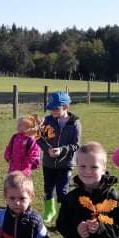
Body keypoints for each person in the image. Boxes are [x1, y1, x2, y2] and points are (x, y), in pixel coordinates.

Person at [39, 91, 81, 224]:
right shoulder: (48, 120)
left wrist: (62, 150)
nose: (53, 111)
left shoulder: (74, 123)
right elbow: (39, 138)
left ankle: (64, 214)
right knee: (48, 188)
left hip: (65, 163)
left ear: (66, 107)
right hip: (48, 163)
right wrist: (48, 150)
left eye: (56, 108)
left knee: (62, 191)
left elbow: (76, 145)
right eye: (51, 108)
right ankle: (49, 210)